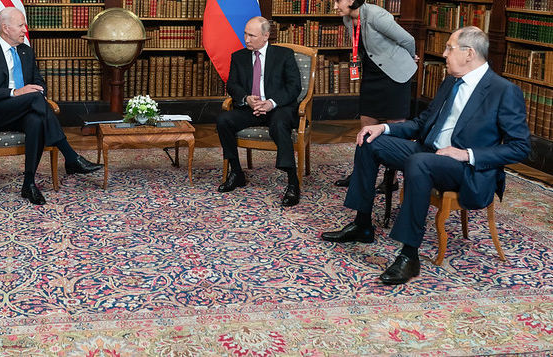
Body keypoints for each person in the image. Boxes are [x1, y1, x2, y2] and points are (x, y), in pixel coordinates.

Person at [321, 27, 530, 285]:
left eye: (449, 48)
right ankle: (363, 224)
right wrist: (383, 127)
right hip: (428, 151)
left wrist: (466, 154)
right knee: (369, 140)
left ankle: (409, 255)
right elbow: (422, 123)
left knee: (419, 162)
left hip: (465, 169)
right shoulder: (451, 81)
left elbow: (520, 147)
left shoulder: (503, 91)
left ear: (469, 53)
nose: (443, 54)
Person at [0, 7, 101, 205]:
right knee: (36, 100)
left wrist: (34, 93)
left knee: (37, 118)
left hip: (26, 110)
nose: (24, 30)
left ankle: (28, 184)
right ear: (5, 28)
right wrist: (15, 92)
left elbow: (39, 82)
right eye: (20, 25)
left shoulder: (26, 51)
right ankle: (71, 157)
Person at [330, 0, 418, 192]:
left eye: (337, 1)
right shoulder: (347, 19)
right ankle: (361, 172)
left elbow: (407, 39)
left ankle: (392, 179)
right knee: (366, 125)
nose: (334, 6)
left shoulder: (377, 15)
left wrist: (410, 58)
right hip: (372, 75)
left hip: (395, 76)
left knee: (395, 128)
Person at [216, 16, 303, 207]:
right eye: (245, 34)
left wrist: (271, 103)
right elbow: (232, 84)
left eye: (251, 35)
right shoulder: (238, 56)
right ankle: (236, 172)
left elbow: (294, 86)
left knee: (279, 124)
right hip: (250, 108)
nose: (246, 39)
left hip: (276, 109)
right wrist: (246, 99)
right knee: (224, 120)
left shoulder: (284, 55)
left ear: (266, 36)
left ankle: (292, 182)